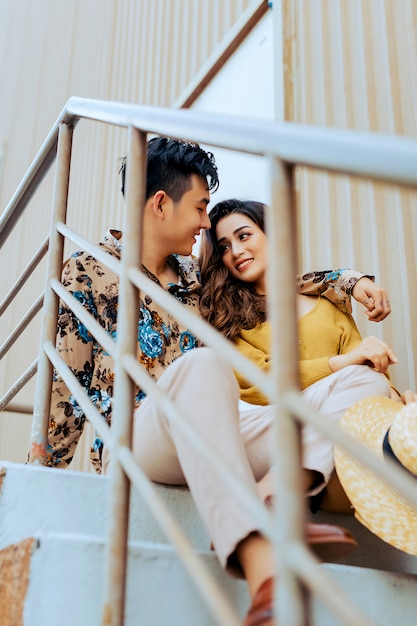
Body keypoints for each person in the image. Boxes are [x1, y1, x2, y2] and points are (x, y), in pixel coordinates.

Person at [45, 141, 391, 626]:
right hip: (142, 431)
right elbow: (65, 387)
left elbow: (279, 280)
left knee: (361, 381)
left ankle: (280, 497)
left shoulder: (196, 278)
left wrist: (349, 281)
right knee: (205, 367)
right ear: (161, 203)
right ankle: (262, 567)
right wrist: (42, 470)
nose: (207, 225)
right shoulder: (90, 269)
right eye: (201, 207)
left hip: (222, 429)